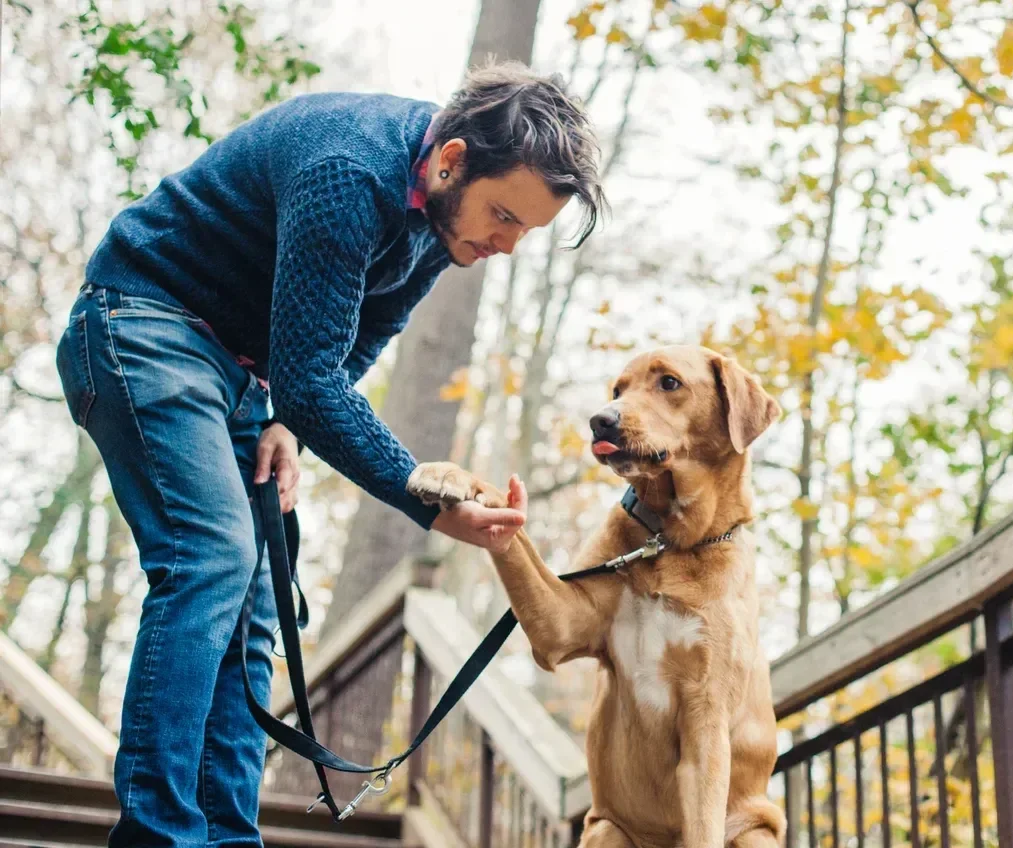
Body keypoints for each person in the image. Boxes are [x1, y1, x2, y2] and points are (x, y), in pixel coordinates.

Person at [53, 60, 605, 847]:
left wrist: (289, 424)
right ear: (451, 161)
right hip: (142, 322)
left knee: (251, 612)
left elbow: (356, 338)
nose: (508, 244)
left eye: (526, 230)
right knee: (211, 557)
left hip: (241, 375)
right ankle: (158, 837)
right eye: (504, 216)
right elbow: (312, 378)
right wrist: (419, 494)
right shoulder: (350, 172)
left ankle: (226, 837)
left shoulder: (440, 218)